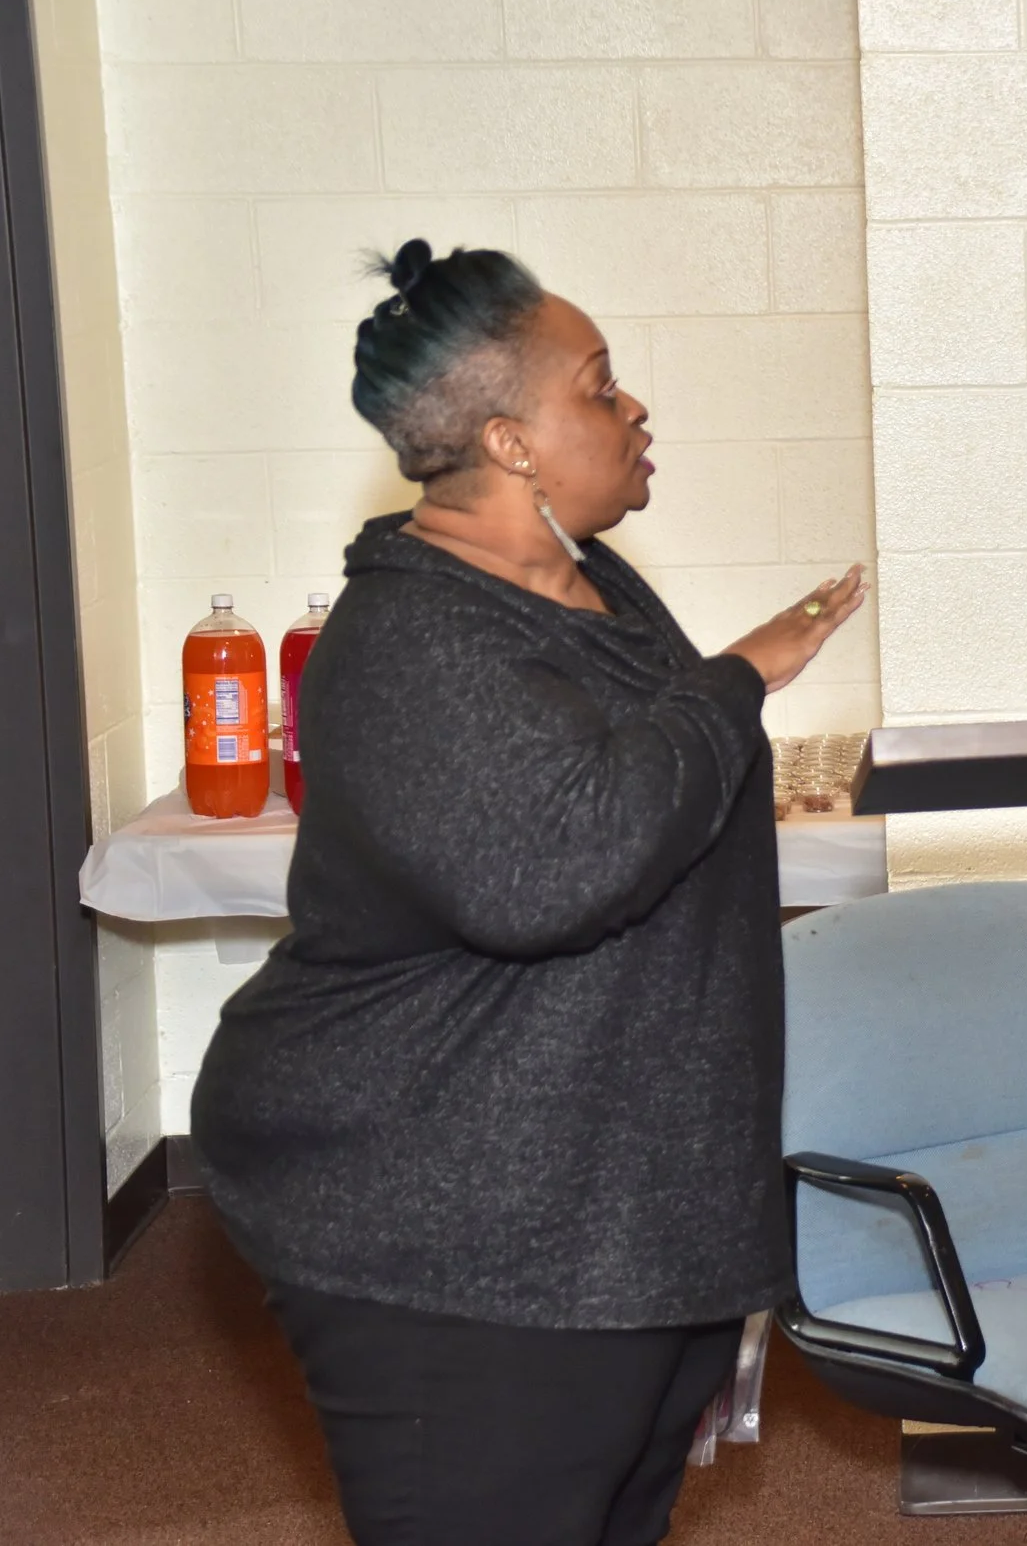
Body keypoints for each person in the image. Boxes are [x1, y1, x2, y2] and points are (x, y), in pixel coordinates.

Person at [191, 239, 867, 1546]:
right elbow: (554, 870)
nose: (634, 411)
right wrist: (738, 679)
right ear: (508, 440)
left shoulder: (598, 587)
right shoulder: (403, 646)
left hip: (608, 1209)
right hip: (450, 1226)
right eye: (601, 388)